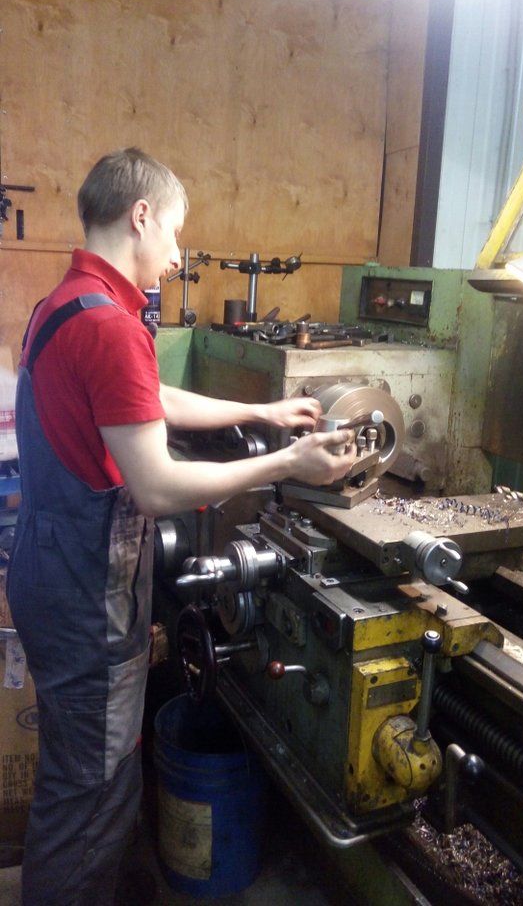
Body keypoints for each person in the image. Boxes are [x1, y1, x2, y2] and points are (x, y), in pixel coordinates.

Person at [6, 147, 355, 906]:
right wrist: (287, 463)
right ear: (141, 216)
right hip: (84, 597)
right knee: (91, 800)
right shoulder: (109, 325)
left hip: (49, 566)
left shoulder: (68, 304)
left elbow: (150, 397)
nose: (176, 253)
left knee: (86, 780)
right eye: (174, 231)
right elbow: (158, 486)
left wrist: (260, 410)